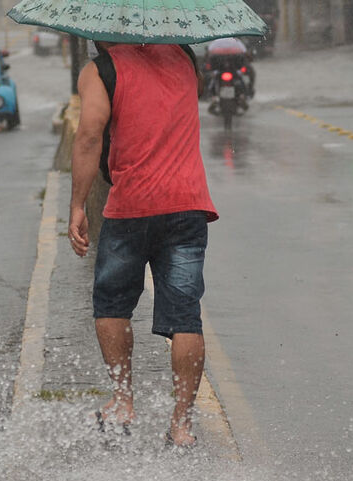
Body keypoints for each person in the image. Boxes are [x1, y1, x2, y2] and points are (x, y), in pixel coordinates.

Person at [68, 41, 218, 448]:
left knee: (112, 304)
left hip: (130, 207)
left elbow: (87, 137)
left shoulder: (100, 71)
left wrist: (78, 205)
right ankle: (182, 425)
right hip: (187, 204)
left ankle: (122, 401)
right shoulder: (185, 56)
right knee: (185, 315)